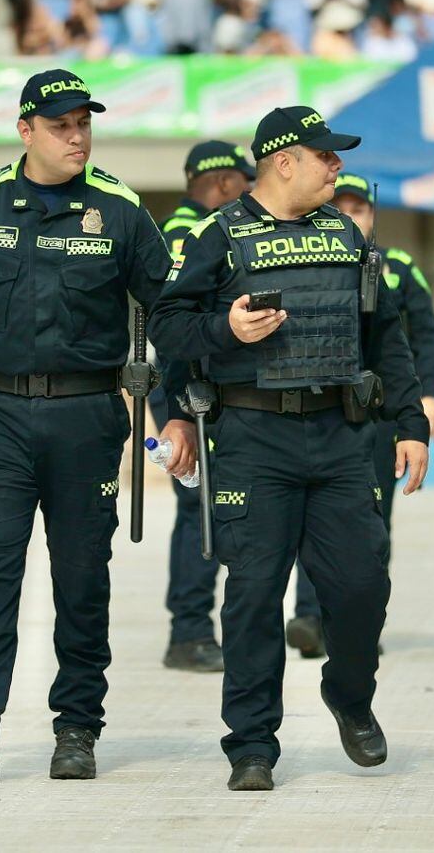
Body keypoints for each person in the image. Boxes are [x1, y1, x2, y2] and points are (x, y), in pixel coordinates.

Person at [0, 70, 190, 784]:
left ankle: (77, 728)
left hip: (88, 419)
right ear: (24, 129)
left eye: (84, 124)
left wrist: (177, 410)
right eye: (61, 125)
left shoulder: (121, 211)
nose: (76, 136)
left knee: (81, 577)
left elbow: (174, 316)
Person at [148, 106, 430, 792]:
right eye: (326, 157)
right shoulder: (221, 235)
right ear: (283, 162)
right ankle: (251, 744)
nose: (337, 167)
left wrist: (412, 422)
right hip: (252, 438)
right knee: (252, 596)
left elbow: (387, 335)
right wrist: (226, 332)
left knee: (362, 584)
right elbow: (168, 323)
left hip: (341, 437)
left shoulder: (346, 235)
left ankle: (349, 695)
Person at [286, 173, 434, 658]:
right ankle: (311, 618)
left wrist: (430, 397)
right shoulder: (305, 260)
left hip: (377, 413)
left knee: (370, 522)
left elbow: (424, 337)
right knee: (309, 520)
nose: (350, 216)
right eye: (343, 206)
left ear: (372, 215)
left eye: (359, 209)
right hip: (322, 408)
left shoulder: (395, 268)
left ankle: (359, 620)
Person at [150, 140, 256, 673]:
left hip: (207, 382)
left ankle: (199, 627)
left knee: (216, 501)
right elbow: (173, 330)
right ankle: (189, 630)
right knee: (200, 503)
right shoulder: (190, 232)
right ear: (222, 184)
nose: (253, 191)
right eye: (246, 180)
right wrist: (177, 406)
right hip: (183, 384)